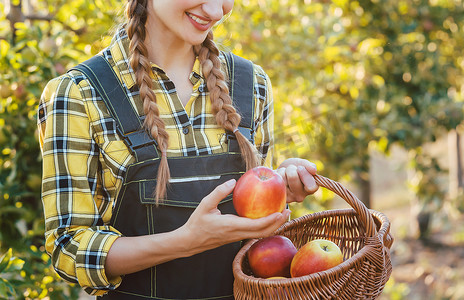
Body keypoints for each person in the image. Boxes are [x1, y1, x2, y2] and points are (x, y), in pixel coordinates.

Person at [38, 0, 319, 299]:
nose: (215, 11)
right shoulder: (80, 92)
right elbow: (69, 247)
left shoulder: (252, 84)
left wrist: (279, 184)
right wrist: (185, 241)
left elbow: (256, 238)